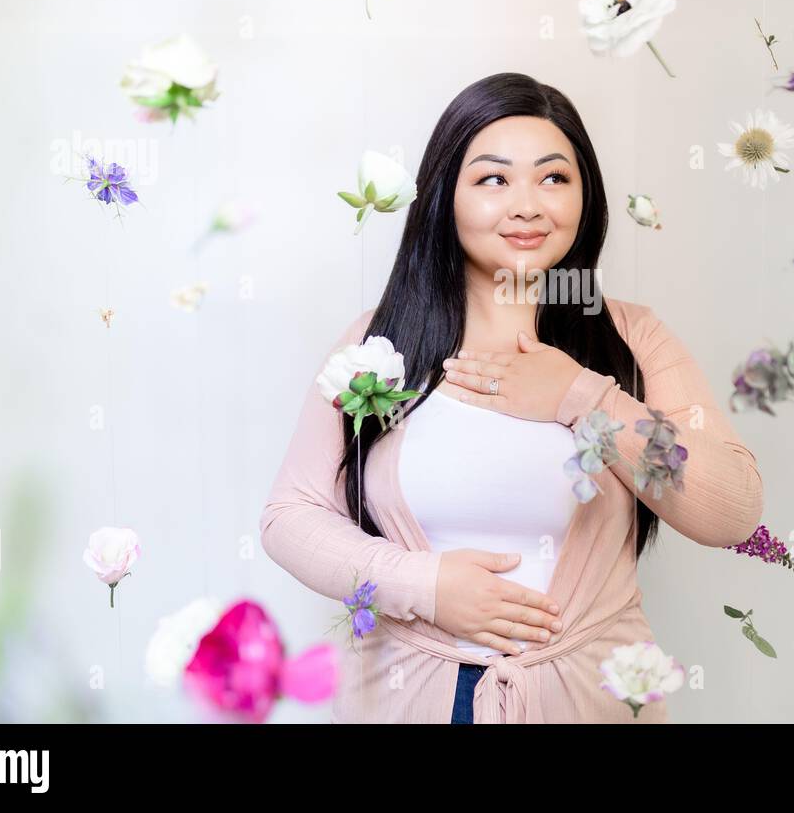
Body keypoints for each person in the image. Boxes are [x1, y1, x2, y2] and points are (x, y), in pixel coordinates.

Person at [260, 72, 763, 723]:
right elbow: (289, 517)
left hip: (586, 697)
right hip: (407, 695)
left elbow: (734, 513)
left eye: (554, 178)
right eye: (493, 179)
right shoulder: (379, 341)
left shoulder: (634, 339)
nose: (527, 205)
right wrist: (426, 586)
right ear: (446, 195)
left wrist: (582, 397)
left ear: (586, 196)